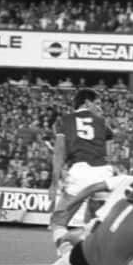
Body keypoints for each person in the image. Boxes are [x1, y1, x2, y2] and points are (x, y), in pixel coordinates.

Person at [49, 89, 115, 254]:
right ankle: (93, 261)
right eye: (97, 103)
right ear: (87, 102)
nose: (99, 107)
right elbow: (110, 153)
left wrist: (54, 182)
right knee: (93, 223)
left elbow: (59, 153)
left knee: (58, 221)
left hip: (80, 171)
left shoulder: (64, 121)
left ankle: (66, 258)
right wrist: (101, 119)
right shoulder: (102, 122)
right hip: (103, 174)